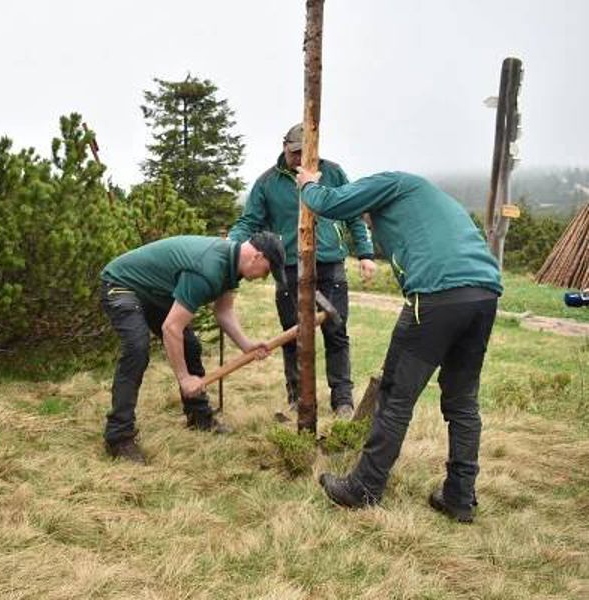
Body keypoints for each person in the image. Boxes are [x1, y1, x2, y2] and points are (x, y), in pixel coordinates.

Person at [295, 167, 503, 523]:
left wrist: (309, 185)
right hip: (483, 293)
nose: (369, 222)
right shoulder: (426, 200)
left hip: (437, 294)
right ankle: (459, 496)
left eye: (367, 214)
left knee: (395, 396)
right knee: (462, 400)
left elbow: (332, 203)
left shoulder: (388, 182)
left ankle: (364, 487)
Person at [229, 124, 376, 420]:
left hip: (330, 262)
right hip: (289, 267)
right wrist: (231, 245)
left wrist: (365, 254)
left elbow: (353, 214)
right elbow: (250, 221)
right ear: (284, 147)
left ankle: (342, 402)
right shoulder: (267, 183)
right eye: (294, 152)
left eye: (305, 152)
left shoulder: (333, 173)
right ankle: (298, 399)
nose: (299, 158)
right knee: (292, 335)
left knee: (336, 332)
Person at [100, 232, 286, 463]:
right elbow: (171, 328)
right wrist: (184, 378)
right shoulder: (208, 268)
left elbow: (223, 311)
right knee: (137, 349)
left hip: (154, 293)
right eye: (267, 271)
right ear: (257, 256)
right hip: (122, 284)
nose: (264, 277)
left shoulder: (232, 265)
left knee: (190, 346)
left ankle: (199, 417)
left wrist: (246, 345)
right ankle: (119, 437)